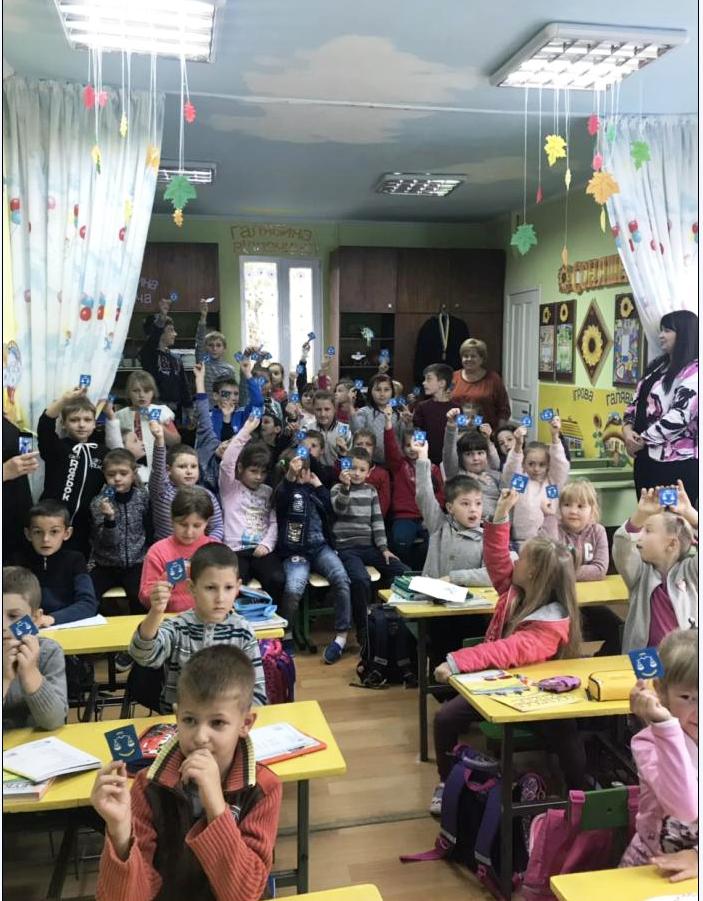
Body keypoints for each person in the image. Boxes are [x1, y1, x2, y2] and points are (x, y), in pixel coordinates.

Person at [430, 488, 584, 814]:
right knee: (445, 718)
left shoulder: (551, 623)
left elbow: (506, 650)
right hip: (500, 684)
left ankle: (579, 795)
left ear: (535, 573)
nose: (515, 559)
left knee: (563, 731)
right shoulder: (514, 589)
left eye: (521, 558)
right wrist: (500, 514)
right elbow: (497, 557)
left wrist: (455, 662)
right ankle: (446, 782)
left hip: (538, 695)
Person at [91, 645, 281, 901]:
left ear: (245, 724)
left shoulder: (263, 788)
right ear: (177, 716)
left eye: (217, 723)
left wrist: (216, 807)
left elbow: (244, 895)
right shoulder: (148, 786)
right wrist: (120, 833)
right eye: (190, 720)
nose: (201, 737)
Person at [129, 543, 267, 712]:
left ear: (238, 588)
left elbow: (257, 694)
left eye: (228, 588)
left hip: (228, 722)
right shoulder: (178, 627)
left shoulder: (243, 632)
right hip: (181, 721)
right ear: (192, 588)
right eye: (210, 588)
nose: (220, 598)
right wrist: (156, 611)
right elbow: (143, 655)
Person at [620, 629, 697, 877]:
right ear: (661, 691)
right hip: (652, 868)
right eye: (688, 697)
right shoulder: (648, 743)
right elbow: (685, 808)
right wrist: (665, 725)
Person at [274, 452, 351, 663]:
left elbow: (331, 511)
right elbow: (281, 499)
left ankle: (341, 637)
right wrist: (290, 477)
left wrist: (319, 487)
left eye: (305, 470)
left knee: (341, 578)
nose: (303, 474)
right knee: (293, 588)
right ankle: (287, 634)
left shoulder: (315, 490)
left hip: (320, 548)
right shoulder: (284, 490)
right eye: (298, 470)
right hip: (295, 552)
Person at [330, 447, 408, 654]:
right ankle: (363, 628)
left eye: (362, 469)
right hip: (347, 548)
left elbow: (377, 521)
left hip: (369, 546)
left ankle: (391, 618)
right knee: (361, 579)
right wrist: (346, 488)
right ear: (346, 467)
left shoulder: (371, 491)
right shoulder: (337, 488)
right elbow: (339, 508)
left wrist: (383, 548)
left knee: (402, 571)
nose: (356, 473)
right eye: (353, 468)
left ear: (369, 472)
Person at [622, 311, 698, 505]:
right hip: (645, 458)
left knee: (669, 516)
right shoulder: (659, 366)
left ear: (684, 334)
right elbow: (636, 402)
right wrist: (627, 430)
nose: (661, 335)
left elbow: (680, 415)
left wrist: (642, 440)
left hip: (675, 465)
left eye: (667, 330)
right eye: (661, 330)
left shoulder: (695, 371)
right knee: (646, 514)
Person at [613, 481, 698, 653]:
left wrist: (691, 514)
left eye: (648, 531)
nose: (639, 536)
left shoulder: (692, 572)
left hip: (685, 660)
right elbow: (623, 546)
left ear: (672, 544)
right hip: (645, 658)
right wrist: (640, 516)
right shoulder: (638, 574)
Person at [218, 415, 285, 600]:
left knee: (278, 579)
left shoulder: (268, 491)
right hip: (235, 550)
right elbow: (227, 463)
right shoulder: (230, 488)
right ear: (240, 468)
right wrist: (245, 431)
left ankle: (273, 616)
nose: (258, 477)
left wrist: (266, 544)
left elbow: (274, 522)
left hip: (261, 550)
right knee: (232, 584)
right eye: (253, 471)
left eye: (263, 472)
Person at [37, 387, 107, 557]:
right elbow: (45, 424)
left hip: (83, 528)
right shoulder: (56, 447)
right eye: (74, 420)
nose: (81, 424)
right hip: (49, 523)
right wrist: (64, 400)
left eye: (87, 420)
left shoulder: (102, 452)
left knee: (75, 565)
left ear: (94, 423)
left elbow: (120, 463)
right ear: (64, 423)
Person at [14, 500, 98, 626]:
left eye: (54, 532)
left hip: (66, 625)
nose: (45, 539)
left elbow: (88, 604)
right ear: (28, 534)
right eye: (38, 532)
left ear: (67, 533)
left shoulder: (75, 560)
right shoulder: (16, 562)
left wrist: (51, 619)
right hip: (28, 626)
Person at [2, 566, 67, 730]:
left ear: (35, 619)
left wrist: (30, 673)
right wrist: (5, 679)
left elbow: (54, 721)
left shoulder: (48, 652)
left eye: (13, 616)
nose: (3, 626)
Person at [89, 449, 151, 615]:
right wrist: (109, 518)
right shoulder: (99, 503)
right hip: (105, 565)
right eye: (111, 474)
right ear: (104, 474)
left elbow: (149, 527)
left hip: (136, 563)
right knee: (89, 597)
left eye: (123, 473)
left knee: (141, 599)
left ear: (134, 473)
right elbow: (109, 541)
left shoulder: (142, 497)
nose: (117, 478)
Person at [139, 487, 219, 613]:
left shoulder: (216, 549)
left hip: (208, 617)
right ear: (171, 519)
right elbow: (145, 596)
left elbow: (229, 588)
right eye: (182, 524)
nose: (189, 532)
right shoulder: (158, 551)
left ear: (207, 522)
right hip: (170, 617)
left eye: (197, 525)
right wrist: (159, 590)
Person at [384, 407, 444, 570]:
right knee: (400, 541)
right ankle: (405, 572)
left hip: (428, 517)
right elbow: (391, 448)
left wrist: (432, 515)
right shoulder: (399, 465)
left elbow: (440, 495)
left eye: (416, 444)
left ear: (424, 446)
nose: (412, 448)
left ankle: (422, 571)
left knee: (434, 542)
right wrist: (388, 425)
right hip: (404, 517)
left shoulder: (433, 469)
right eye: (408, 445)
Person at [148, 421, 224, 542]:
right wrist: (159, 441)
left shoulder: (206, 495)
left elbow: (217, 526)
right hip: (167, 550)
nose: (189, 471)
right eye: (182, 467)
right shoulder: (161, 491)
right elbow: (158, 470)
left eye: (193, 466)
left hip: (198, 550)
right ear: (168, 470)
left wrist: (208, 546)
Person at [502, 416, 570, 547]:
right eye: (531, 464)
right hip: (522, 541)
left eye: (541, 464)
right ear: (523, 464)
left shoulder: (552, 482)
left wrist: (555, 437)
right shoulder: (521, 482)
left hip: (550, 542)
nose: (536, 469)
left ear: (548, 465)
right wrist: (518, 445)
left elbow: (560, 464)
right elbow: (511, 471)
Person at [112, 369, 181, 477]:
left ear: (153, 392)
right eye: (136, 391)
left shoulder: (161, 411)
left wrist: (158, 425)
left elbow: (175, 442)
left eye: (147, 390)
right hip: (129, 471)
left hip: (157, 470)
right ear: (129, 393)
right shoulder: (120, 416)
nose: (141, 395)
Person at [138, 298, 192, 426]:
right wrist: (162, 317)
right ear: (159, 333)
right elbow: (153, 338)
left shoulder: (176, 359)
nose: (175, 334)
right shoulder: (148, 354)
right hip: (155, 408)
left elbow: (184, 386)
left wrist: (189, 409)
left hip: (175, 410)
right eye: (171, 330)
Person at [443, 411, 501, 519]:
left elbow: (496, 464)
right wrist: (451, 426)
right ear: (461, 457)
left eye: (480, 453)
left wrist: (488, 440)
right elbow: (449, 452)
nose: (476, 458)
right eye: (469, 454)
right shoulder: (457, 476)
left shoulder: (495, 475)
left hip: (496, 524)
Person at [450, 338, 511, 432]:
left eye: (473, 356)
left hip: (486, 433)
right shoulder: (453, 377)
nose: (469, 359)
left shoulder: (493, 379)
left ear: (482, 358)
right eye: (465, 356)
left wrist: (498, 434)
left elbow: (504, 410)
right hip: (457, 433)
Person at [3, 414, 39, 561]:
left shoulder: (8, 418)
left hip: (18, 510)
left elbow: (22, 453)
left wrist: (20, 433)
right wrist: (4, 472)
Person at [351, 374, 404, 464]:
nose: (382, 394)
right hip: (371, 462)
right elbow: (357, 434)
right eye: (378, 389)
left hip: (395, 462)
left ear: (392, 392)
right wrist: (350, 408)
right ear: (370, 391)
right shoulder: (364, 412)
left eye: (386, 390)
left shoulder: (398, 415)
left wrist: (408, 423)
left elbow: (403, 439)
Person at [195, 298, 238, 401]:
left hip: (222, 407)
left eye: (218, 345)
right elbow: (200, 340)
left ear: (224, 348)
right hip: (204, 407)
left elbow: (232, 394)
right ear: (206, 347)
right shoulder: (203, 362)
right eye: (211, 345)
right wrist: (203, 316)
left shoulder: (229, 369)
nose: (214, 348)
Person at [413, 363, 456, 465]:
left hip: (451, 461)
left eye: (428, 379)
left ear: (442, 383)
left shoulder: (456, 409)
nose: (424, 383)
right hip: (427, 460)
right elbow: (418, 430)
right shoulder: (422, 407)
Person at [349, 428, 391, 517]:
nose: (363, 447)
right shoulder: (347, 469)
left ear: (374, 448)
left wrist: (373, 518)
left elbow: (384, 503)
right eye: (359, 444)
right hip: (349, 517)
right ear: (353, 446)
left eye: (368, 444)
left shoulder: (382, 474)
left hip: (372, 519)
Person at [312, 389, 347, 467]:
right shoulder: (308, 429)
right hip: (314, 471)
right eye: (318, 409)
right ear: (313, 409)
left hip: (339, 471)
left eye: (327, 409)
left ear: (334, 409)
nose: (323, 414)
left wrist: (343, 453)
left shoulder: (346, 430)